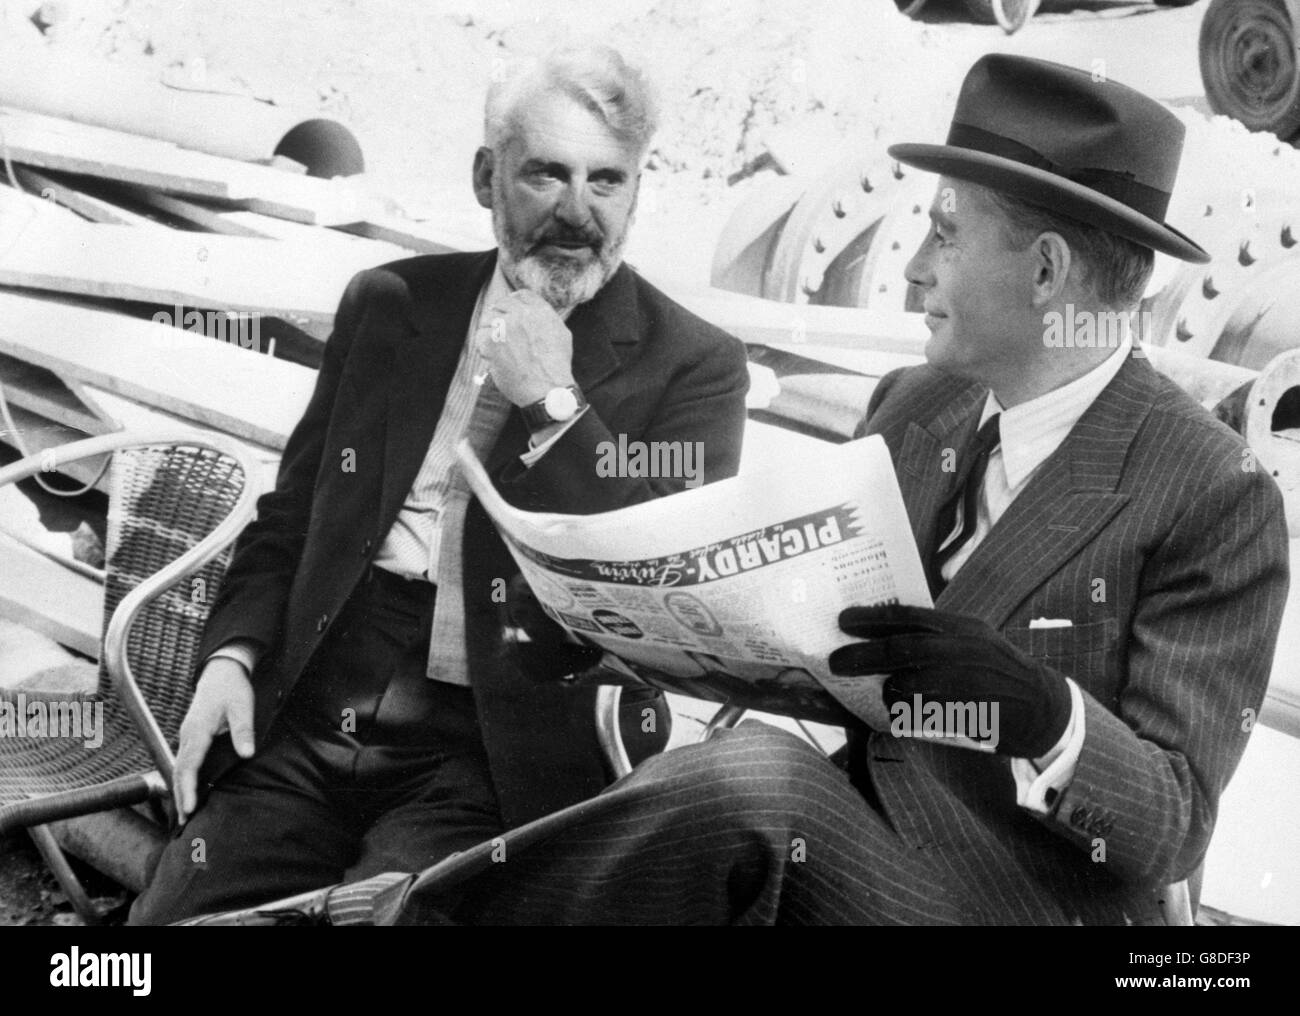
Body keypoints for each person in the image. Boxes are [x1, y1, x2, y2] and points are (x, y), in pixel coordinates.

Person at [350, 53, 1288, 927]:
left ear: (1046, 272)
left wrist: (1046, 713)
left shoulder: (1214, 491)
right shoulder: (921, 403)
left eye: (945, 233)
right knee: (732, 778)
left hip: (1020, 901)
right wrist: (649, 632)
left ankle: (394, 918)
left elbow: (1175, 823)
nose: (915, 265)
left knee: (757, 782)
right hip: (853, 849)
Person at [129, 44, 750, 925]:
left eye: (608, 181)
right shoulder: (392, 303)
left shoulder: (695, 366)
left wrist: (555, 405)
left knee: (389, 920)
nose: (579, 213)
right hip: (316, 702)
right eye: (546, 175)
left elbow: (662, 587)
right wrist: (232, 658)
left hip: (491, 742)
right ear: (485, 177)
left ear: (638, 191)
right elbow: (294, 511)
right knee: (170, 922)